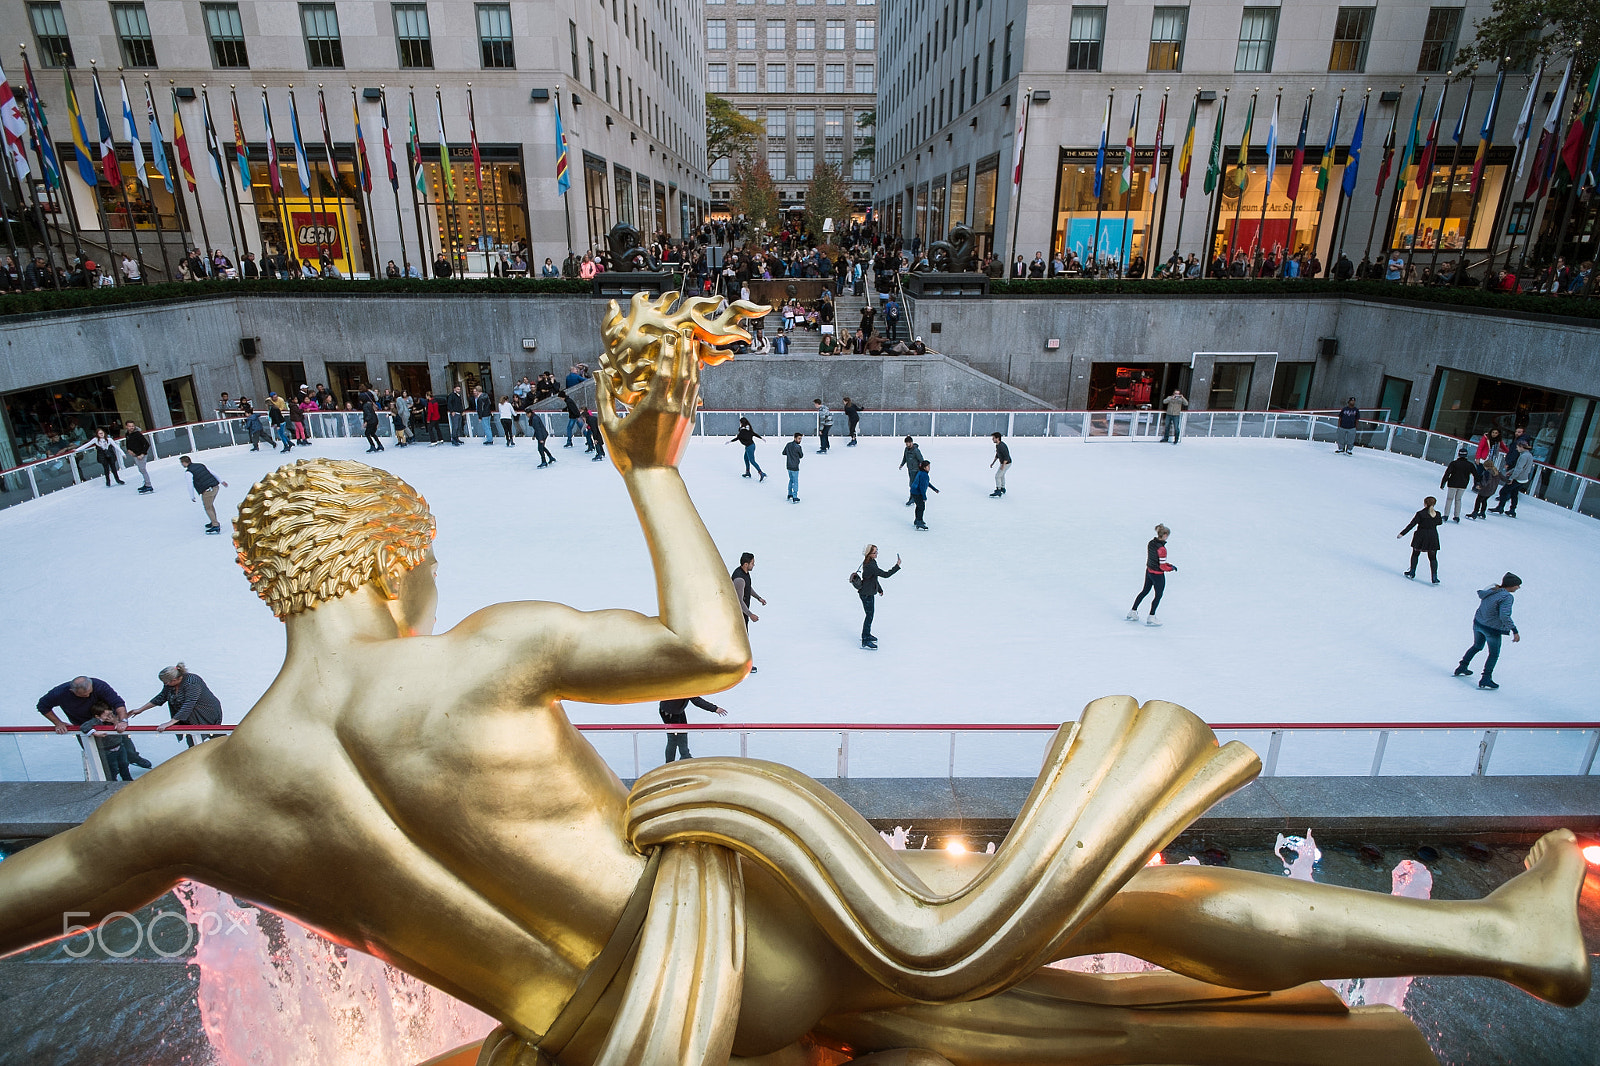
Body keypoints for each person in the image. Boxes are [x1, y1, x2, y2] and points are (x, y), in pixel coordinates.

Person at [128, 662, 224, 747]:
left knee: (214, 737)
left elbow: (189, 703)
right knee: (192, 741)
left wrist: (170, 722)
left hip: (205, 713)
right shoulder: (170, 685)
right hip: (188, 717)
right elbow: (161, 697)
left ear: (174, 679)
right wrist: (140, 709)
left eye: (166, 682)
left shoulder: (192, 681)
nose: (165, 685)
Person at [1453, 573, 1522, 691]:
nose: (1518, 588)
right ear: (1511, 585)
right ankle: (1486, 678)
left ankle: (1462, 667)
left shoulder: (1492, 591)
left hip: (1478, 623)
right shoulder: (1507, 597)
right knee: (1493, 654)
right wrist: (1514, 630)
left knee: (1477, 646)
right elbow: (1504, 615)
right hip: (1492, 628)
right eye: (1517, 585)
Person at [852, 544, 901, 649]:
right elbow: (885, 574)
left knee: (870, 615)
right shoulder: (870, 565)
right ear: (869, 554)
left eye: (877, 551)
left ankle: (867, 635)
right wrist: (897, 566)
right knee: (869, 616)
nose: (877, 553)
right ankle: (865, 639)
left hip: (869, 592)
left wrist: (879, 589)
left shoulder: (871, 562)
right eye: (875, 552)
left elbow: (873, 578)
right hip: (866, 594)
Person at [1127, 524, 1176, 627]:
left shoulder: (1151, 543)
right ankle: (1151, 617)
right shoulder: (1162, 549)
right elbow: (1162, 566)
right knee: (1158, 595)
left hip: (1149, 572)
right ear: (1165, 535)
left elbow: (1156, 560)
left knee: (1144, 591)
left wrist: (1168, 565)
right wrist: (1170, 568)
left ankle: (1133, 611)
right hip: (1158, 575)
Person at [658, 696, 729, 762]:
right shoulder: (685, 686)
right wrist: (714, 708)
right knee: (673, 739)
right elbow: (696, 700)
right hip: (669, 712)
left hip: (678, 711)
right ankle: (672, 762)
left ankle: (685, 756)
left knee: (682, 734)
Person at [730, 552, 767, 673]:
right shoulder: (739, 579)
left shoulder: (744, 574)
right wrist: (750, 614)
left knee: (743, 638)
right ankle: (742, 666)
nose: (754, 565)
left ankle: (740, 664)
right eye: (752, 563)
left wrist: (758, 598)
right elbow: (738, 601)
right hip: (739, 614)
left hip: (743, 613)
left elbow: (748, 587)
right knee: (742, 639)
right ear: (746, 564)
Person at [1397, 496, 1445, 583]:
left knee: (1415, 554)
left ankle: (1412, 572)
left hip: (1421, 536)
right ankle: (1434, 577)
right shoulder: (1437, 514)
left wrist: (1402, 533)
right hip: (1432, 537)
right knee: (1433, 558)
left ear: (1425, 503)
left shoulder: (1420, 514)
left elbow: (1412, 524)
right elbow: (1440, 522)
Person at [81, 702, 134, 781]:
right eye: (107, 715)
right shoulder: (95, 721)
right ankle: (112, 784)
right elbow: (84, 726)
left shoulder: (115, 718)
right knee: (112, 769)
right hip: (107, 751)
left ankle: (128, 781)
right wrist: (94, 732)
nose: (110, 716)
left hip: (120, 747)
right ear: (97, 716)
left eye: (110, 713)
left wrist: (115, 722)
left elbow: (122, 727)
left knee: (124, 765)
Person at [179, 455, 228, 535]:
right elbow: (212, 472)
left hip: (208, 490)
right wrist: (222, 481)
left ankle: (215, 525)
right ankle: (214, 521)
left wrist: (192, 496)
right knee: (210, 505)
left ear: (184, 463)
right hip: (215, 487)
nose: (182, 464)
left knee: (207, 507)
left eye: (182, 463)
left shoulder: (189, 472)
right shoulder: (200, 465)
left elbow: (189, 484)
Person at [1491, 439, 1536, 517]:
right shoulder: (1529, 455)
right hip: (1523, 478)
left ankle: (1500, 507)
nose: (1516, 449)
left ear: (1521, 447)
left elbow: (1519, 468)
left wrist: (1511, 478)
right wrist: (1511, 471)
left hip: (1518, 478)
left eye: (1517, 447)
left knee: (1503, 491)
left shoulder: (1523, 456)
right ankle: (1512, 510)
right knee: (1514, 493)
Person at [1440, 447, 1476, 523]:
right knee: (1458, 500)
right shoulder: (1470, 465)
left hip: (1452, 483)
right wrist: (1478, 484)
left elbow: (1447, 473)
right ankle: (1457, 516)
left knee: (1449, 499)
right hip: (1463, 484)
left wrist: (1443, 483)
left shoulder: (1454, 463)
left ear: (1459, 454)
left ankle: (1446, 515)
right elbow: (1476, 475)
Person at [123, 420, 153, 493]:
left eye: (132, 426)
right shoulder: (127, 434)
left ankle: (148, 485)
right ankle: (146, 483)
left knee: (143, 469)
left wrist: (142, 454)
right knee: (141, 469)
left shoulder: (137, 434)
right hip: (135, 455)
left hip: (141, 455)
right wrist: (129, 450)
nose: (131, 427)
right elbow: (128, 444)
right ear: (126, 426)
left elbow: (146, 444)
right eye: (130, 426)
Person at [910, 460, 939, 530]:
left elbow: (927, 483)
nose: (929, 468)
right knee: (921, 507)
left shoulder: (921, 473)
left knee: (919, 506)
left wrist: (934, 489)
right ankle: (919, 522)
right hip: (917, 492)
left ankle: (917, 520)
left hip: (914, 491)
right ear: (924, 467)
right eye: (928, 466)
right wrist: (924, 496)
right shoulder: (924, 475)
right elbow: (922, 487)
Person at [898, 436, 925, 505]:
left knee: (913, 484)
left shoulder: (916, 450)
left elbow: (921, 460)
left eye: (908, 443)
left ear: (911, 442)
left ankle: (913, 498)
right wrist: (902, 464)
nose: (907, 444)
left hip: (915, 470)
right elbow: (905, 458)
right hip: (910, 469)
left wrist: (922, 468)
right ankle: (915, 497)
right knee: (912, 484)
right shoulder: (906, 449)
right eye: (906, 443)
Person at [782, 432, 805, 502]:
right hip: (795, 467)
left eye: (801, 439)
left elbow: (784, 453)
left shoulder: (788, 445)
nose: (800, 440)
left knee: (791, 480)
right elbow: (801, 456)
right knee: (795, 481)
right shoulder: (798, 447)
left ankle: (789, 494)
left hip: (788, 466)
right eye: (799, 439)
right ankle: (795, 496)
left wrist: (790, 454)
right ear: (795, 438)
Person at [990, 432, 1012, 497]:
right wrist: (993, 463)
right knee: (1001, 475)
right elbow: (997, 455)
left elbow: (1006, 456)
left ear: (997, 438)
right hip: (1004, 463)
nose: (992, 439)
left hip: (1006, 463)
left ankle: (998, 490)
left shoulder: (1002, 446)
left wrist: (1003, 465)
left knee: (997, 476)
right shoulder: (998, 445)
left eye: (993, 438)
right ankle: (1002, 488)